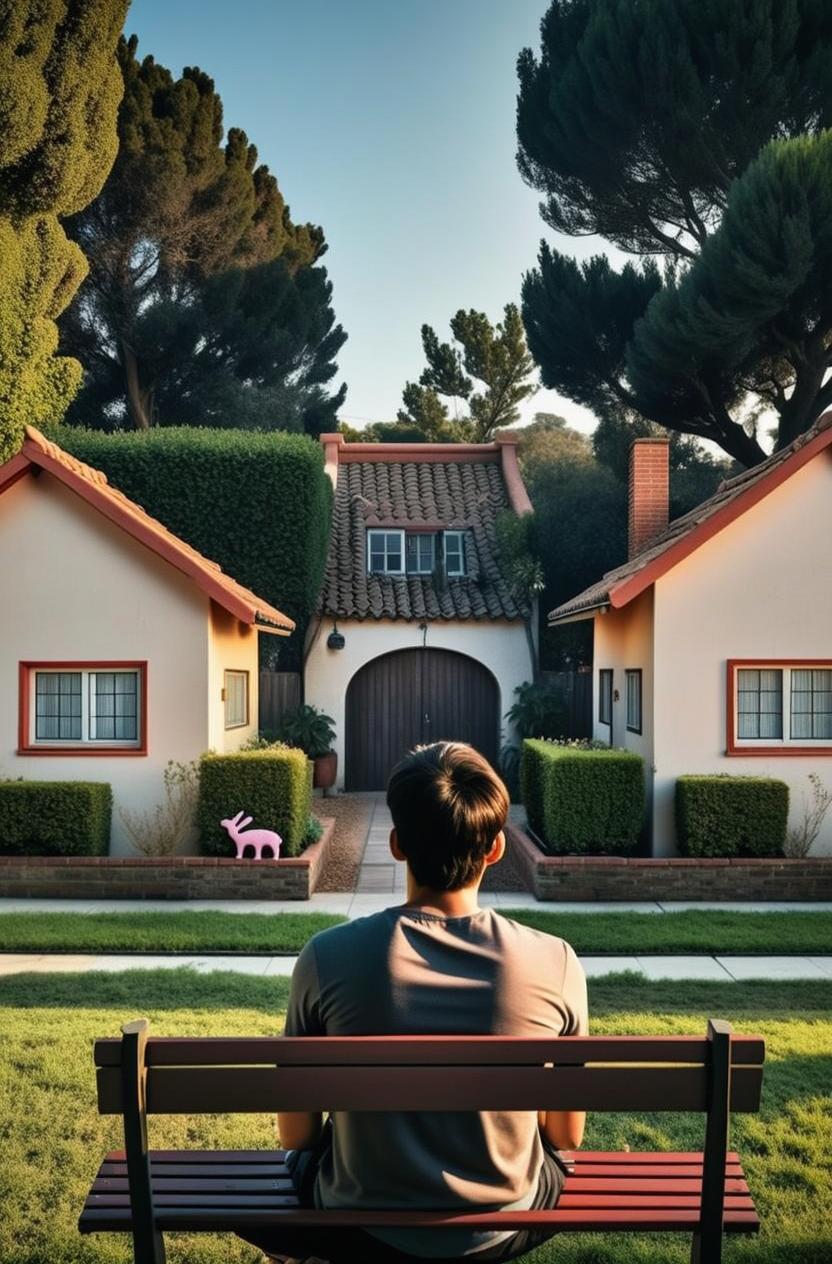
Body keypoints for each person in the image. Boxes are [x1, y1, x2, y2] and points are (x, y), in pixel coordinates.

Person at [238, 740, 587, 1264]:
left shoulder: (326, 956)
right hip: (503, 1220)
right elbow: (566, 1134)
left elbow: (299, 1133)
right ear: (494, 849)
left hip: (360, 1219)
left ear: (396, 844)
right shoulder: (555, 960)